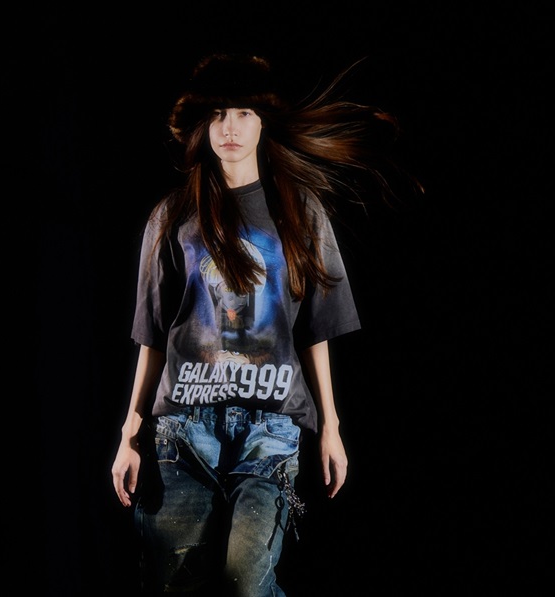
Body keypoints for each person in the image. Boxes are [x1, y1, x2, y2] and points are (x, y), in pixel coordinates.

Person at [111, 52, 414, 596]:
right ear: (202, 125)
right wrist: (129, 434)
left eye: (244, 113)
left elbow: (316, 329)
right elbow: (152, 335)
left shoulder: (300, 211)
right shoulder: (171, 216)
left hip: (270, 431)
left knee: (244, 583)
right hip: (183, 431)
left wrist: (331, 427)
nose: (229, 127)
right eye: (218, 114)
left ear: (263, 122)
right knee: (177, 585)